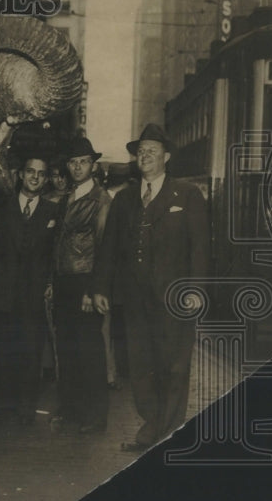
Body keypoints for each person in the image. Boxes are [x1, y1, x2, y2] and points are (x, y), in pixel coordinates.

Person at [93, 124, 208, 453]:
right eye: (140, 152)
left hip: (175, 298)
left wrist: (196, 289)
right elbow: (109, 249)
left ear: (166, 157)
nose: (144, 157)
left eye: (151, 152)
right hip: (135, 299)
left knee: (173, 365)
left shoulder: (186, 195)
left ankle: (167, 431)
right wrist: (100, 286)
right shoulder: (125, 199)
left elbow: (200, 247)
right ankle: (152, 424)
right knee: (141, 365)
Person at [0, 157, 58, 425]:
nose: (35, 177)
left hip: (34, 297)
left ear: (46, 179)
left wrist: (51, 285)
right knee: (3, 353)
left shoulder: (53, 212)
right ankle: (5, 408)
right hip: (2, 294)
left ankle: (25, 411)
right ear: (21, 174)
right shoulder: (0, 210)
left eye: (41, 174)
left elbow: (55, 255)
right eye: (30, 171)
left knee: (30, 354)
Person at [51, 136, 112, 434]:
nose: (78, 167)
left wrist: (93, 288)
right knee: (67, 348)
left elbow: (104, 247)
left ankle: (95, 415)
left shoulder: (101, 200)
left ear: (93, 165)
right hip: (64, 281)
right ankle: (72, 409)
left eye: (84, 162)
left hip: (84, 282)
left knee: (89, 350)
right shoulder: (67, 198)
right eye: (73, 162)